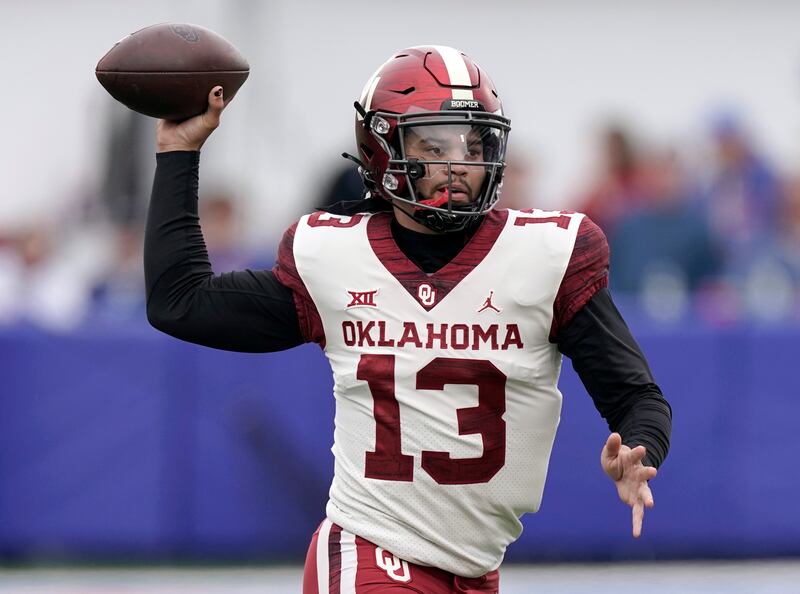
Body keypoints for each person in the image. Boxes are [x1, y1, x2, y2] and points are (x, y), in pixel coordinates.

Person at [145, 46, 671, 593]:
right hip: (369, 550)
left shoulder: (548, 256)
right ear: (382, 150)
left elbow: (638, 398)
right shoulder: (334, 257)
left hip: (474, 570)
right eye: (434, 143)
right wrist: (179, 153)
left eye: (473, 143)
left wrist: (640, 449)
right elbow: (180, 302)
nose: (458, 163)